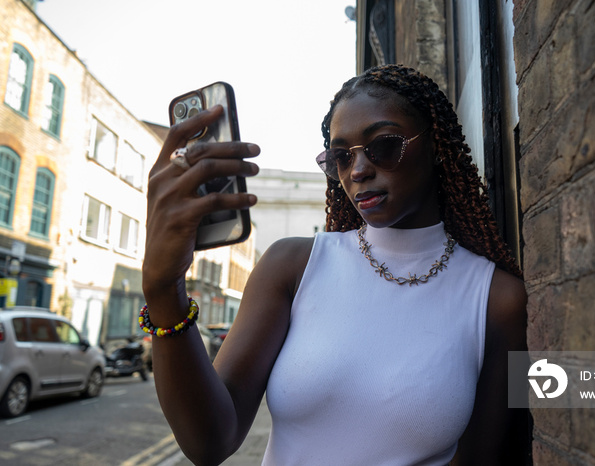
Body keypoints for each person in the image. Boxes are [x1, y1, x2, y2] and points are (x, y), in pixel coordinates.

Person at [142, 64, 528, 465]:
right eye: (341, 156)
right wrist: (163, 288)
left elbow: (486, 457)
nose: (358, 170)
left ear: (435, 146)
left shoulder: (499, 299)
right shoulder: (291, 266)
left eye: (383, 146)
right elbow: (209, 443)